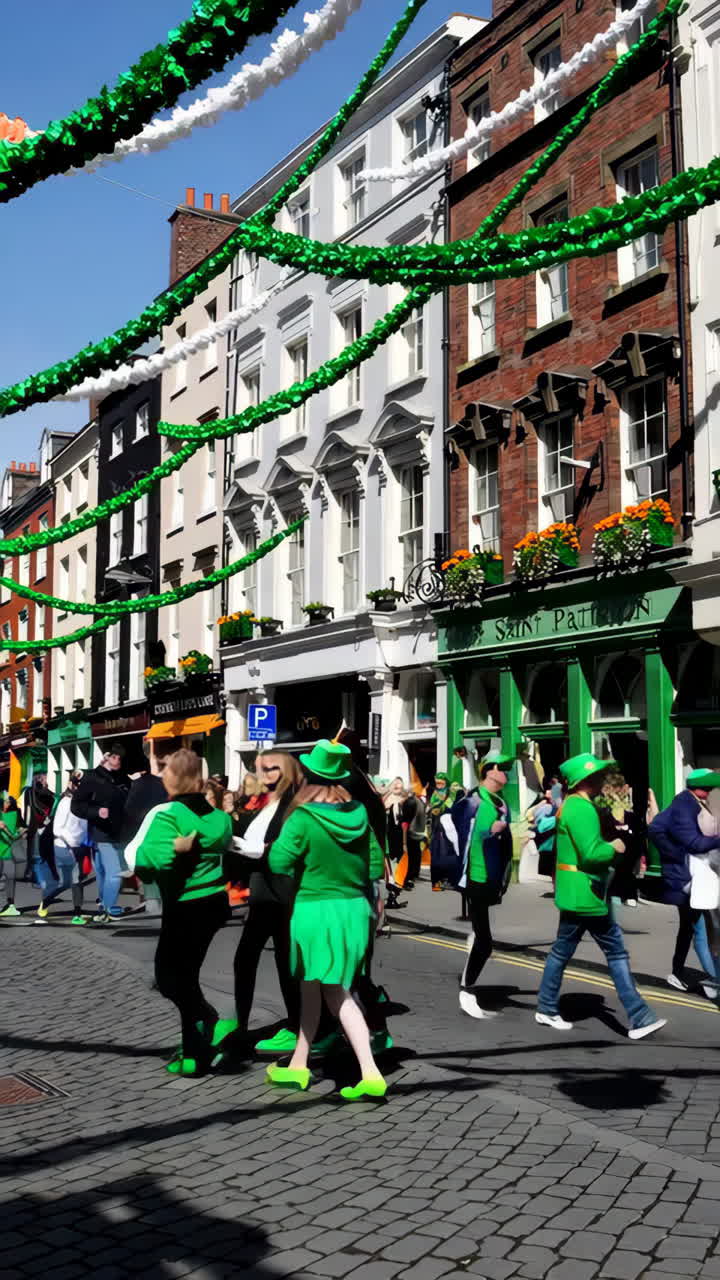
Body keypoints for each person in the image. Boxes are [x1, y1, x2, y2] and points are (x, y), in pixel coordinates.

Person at [266, 739, 387, 1101]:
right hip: (353, 909)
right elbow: (376, 865)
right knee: (312, 987)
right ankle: (299, 1065)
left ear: (308, 775)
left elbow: (278, 863)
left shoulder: (303, 818)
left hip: (315, 909)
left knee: (336, 992)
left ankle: (370, 1072)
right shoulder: (360, 814)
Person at [536, 753, 666, 1039]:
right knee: (615, 952)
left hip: (582, 891)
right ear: (584, 780)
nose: (601, 779)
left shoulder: (574, 805)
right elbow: (591, 853)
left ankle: (546, 1007)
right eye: (596, 775)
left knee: (562, 951)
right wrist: (615, 846)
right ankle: (639, 1017)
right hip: (587, 892)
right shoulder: (581, 809)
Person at [124, 748, 233, 1076]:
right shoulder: (220, 817)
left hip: (185, 904)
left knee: (170, 978)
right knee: (185, 976)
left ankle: (202, 1031)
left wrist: (172, 848)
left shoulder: (168, 813)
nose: (163, 777)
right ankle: (194, 1047)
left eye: (167, 771)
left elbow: (146, 861)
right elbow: (223, 842)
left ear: (177, 777)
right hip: (213, 903)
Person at [230, 752, 304, 1055]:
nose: (262, 773)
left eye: (271, 768)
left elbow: (284, 847)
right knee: (249, 959)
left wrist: (251, 849)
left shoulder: (294, 804)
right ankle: (243, 1024)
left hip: (282, 892)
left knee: (284, 962)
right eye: (260, 768)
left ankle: (297, 1026)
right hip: (264, 891)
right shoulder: (268, 802)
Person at [451, 751, 514, 1020]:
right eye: (502, 768)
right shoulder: (472, 801)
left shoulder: (500, 803)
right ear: (488, 770)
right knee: (486, 943)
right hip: (476, 875)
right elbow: (460, 835)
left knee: (482, 936)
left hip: (492, 877)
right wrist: (491, 832)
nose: (506, 774)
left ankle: (473, 941)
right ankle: (467, 991)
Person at [649, 769, 720, 997]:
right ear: (697, 787)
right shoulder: (684, 805)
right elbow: (695, 843)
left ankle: (678, 972)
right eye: (708, 788)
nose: (710, 792)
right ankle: (714, 980)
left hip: (692, 874)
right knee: (699, 928)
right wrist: (676, 855)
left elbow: (658, 828)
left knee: (690, 926)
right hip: (686, 877)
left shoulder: (692, 801)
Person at [71, 744, 131, 922]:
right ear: (107, 757)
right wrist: (96, 812)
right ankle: (109, 909)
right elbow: (77, 806)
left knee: (105, 873)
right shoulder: (92, 777)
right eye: (114, 757)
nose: (117, 761)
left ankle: (104, 908)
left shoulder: (123, 778)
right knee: (115, 873)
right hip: (101, 833)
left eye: (120, 758)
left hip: (120, 833)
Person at [36, 772, 88, 924]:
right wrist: (71, 845)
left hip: (78, 846)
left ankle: (77, 914)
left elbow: (84, 825)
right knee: (66, 882)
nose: (80, 787)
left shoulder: (83, 802)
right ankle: (46, 901)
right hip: (62, 846)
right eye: (77, 784)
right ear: (71, 784)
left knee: (76, 880)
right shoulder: (65, 803)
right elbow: (57, 829)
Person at [121, 755, 168, 917]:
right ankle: (159, 898)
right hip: (159, 827)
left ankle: (150, 900)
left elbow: (128, 809)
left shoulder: (135, 785)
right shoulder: (161, 783)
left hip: (139, 829)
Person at [22, 771, 54, 883]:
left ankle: (29, 872)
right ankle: (35, 874)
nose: (47, 781)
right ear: (40, 780)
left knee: (32, 849)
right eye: (45, 779)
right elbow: (49, 798)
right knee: (37, 850)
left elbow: (28, 809)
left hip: (32, 824)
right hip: (38, 824)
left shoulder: (29, 791)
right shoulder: (39, 792)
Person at [0, 795, 24, 917]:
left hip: (9, 853)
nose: (6, 804)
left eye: (7, 802)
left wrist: (21, 831)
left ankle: (11, 906)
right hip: (2, 851)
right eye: (5, 802)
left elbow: (20, 830)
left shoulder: (15, 814)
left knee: (11, 879)